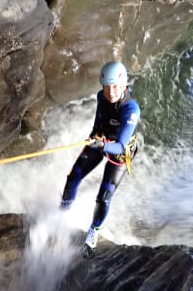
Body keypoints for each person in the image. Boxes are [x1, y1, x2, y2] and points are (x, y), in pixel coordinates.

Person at [60, 61, 140, 256]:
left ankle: (93, 233)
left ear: (123, 85)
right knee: (72, 177)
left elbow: (120, 145)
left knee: (103, 198)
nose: (111, 92)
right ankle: (61, 214)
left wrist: (102, 145)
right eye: (107, 86)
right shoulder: (101, 97)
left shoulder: (131, 110)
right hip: (101, 141)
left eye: (115, 86)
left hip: (120, 152)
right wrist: (94, 135)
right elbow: (99, 120)